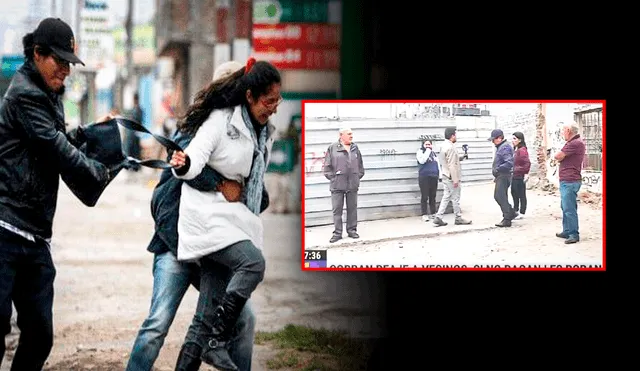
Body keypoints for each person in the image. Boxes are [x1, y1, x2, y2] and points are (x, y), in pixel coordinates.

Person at [126, 61, 260, 371]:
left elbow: (255, 194)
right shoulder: (197, 129)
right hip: (176, 248)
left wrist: (243, 191)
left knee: (243, 319)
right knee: (157, 325)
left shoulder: (246, 137)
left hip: (212, 251)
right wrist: (219, 184)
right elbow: (177, 175)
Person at [0, 18, 112, 370]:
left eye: (69, 63)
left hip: (34, 236)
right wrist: (100, 171)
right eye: (59, 61)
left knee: (39, 334)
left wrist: (97, 134)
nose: (65, 70)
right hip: (4, 229)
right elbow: (56, 148)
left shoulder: (47, 95)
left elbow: (56, 137)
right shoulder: (25, 94)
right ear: (37, 53)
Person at [169, 58, 281, 370]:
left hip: (232, 221)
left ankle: (210, 341)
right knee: (253, 262)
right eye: (268, 101)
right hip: (207, 219)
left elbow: (252, 182)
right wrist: (184, 164)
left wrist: (253, 194)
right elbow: (193, 159)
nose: (273, 107)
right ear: (250, 97)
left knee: (203, 320)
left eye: (278, 100)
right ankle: (217, 342)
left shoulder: (263, 132)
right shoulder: (221, 120)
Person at [322, 127, 365, 243]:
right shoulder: (333, 148)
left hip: (352, 184)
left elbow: (360, 165)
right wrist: (334, 178)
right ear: (341, 135)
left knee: (352, 208)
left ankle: (352, 230)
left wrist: (357, 176)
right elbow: (327, 166)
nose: (351, 136)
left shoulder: (355, 148)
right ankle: (337, 233)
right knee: (337, 210)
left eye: (352, 134)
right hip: (337, 184)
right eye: (349, 134)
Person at [553, 122, 585, 244]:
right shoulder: (574, 143)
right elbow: (561, 157)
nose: (562, 133)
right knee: (565, 206)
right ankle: (567, 230)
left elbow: (558, 156)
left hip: (570, 180)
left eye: (563, 131)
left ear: (568, 130)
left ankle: (573, 234)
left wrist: (561, 157)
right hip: (568, 179)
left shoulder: (574, 143)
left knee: (569, 208)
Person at [432, 127, 472, 227]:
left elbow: (449, 160)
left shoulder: (443, 146)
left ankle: (438, 217)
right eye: (455, 134)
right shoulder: (451, 147)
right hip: (451, 176)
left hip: (445, 174)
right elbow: (452, 165)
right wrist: (455, 180)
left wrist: (461, 158)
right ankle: (458, 218)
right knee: (456, 198)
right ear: (452, 136)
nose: (456, 136)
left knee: (446, 197)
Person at [489, 129, 517, 227]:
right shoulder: (501, 147)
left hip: (504, 175)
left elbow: (509, 162)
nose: (493, 142)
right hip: (501, 175)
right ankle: (511, 212)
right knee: (500, 196)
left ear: (500, 138)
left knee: (500, 196)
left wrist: (498, 169)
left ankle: (507, 218)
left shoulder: (504, 148)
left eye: (494, 139)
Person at [416, 140, 439, 221]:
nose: (428, 146)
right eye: (426, 144)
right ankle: (424, 214)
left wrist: (439, 174)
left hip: (433, 176)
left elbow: (437, 164)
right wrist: (428, 150)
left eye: (429, 144)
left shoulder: (433, 153)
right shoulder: (420, 152)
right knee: (424, 196)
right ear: (423, 145)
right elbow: (422, 160)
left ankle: (433, 213)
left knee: (433, 196)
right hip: (424, 177)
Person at [511, 132, 531, 220]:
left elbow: (527, 163)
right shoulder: (516, 149)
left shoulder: (522, 150)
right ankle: (515, 210)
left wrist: (525, 173)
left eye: (515, 139)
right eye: (512, 138)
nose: (513, 140)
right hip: (514, 174)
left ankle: (522, 212)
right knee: (514, 193)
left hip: (519, 175)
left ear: (520, 140)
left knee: (521, 194)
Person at [123, 92, 143, 172]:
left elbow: (137, 121)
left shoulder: (137, 110)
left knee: (135, 150)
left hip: (134, 133)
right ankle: (133, 165)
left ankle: (135, 165)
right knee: (132, 150)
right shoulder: (137, 110)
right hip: (133, 133)